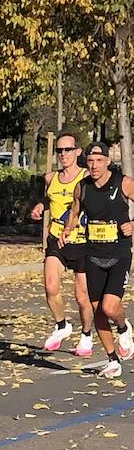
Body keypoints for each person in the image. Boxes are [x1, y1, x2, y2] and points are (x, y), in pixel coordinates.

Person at [64, 141, 134, 379]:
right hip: (93, 255)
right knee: (98, 312)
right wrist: (67, 230)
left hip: (119, 254)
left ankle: (124, 328)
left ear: (107, 162)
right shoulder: (82, 188)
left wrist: (132, 225)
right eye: (90, 162)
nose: (93, 166)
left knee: (109, 306)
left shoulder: (122, 182)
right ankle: (113, 359)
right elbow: (74, 213)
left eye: (98, 161)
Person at [29, 132, 93, 356]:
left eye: (67, 150)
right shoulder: (50, 178)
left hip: (82, 239)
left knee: (82, 295)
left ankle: (86, 334)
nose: (63, 155)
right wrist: (40, 206)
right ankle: (62, 325)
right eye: (59, 151)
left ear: (77, 152)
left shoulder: (87, 177)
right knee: (50, 285)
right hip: (56, 237)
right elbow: (50, 198)